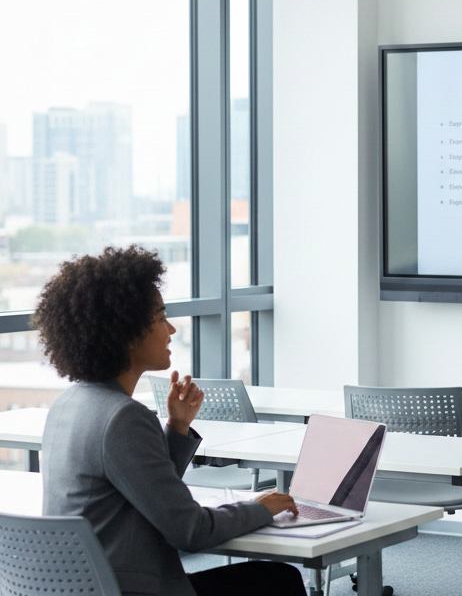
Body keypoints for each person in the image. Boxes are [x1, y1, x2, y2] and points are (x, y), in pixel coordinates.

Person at [36, 246, 306, 596]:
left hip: (86, 587)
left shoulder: (69, 404)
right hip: (130, 589)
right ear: (128, 333)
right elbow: (190, 531)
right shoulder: (123, 418)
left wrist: (177, 430)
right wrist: (259, 508)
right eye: (160, 317)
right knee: (277, 581)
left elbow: (142, 489)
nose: (171, 330)